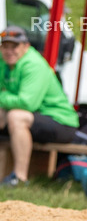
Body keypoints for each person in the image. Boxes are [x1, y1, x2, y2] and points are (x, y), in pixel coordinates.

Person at [0, 26, 79, 186]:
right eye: (5, 46)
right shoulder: (4, 64)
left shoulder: (33, 64)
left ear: (25, 46)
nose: (9, 51)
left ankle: (20, 178)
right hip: (35, 117)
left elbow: (27, 103)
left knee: (16, 116)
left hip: (61, 122)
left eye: (14, 46)